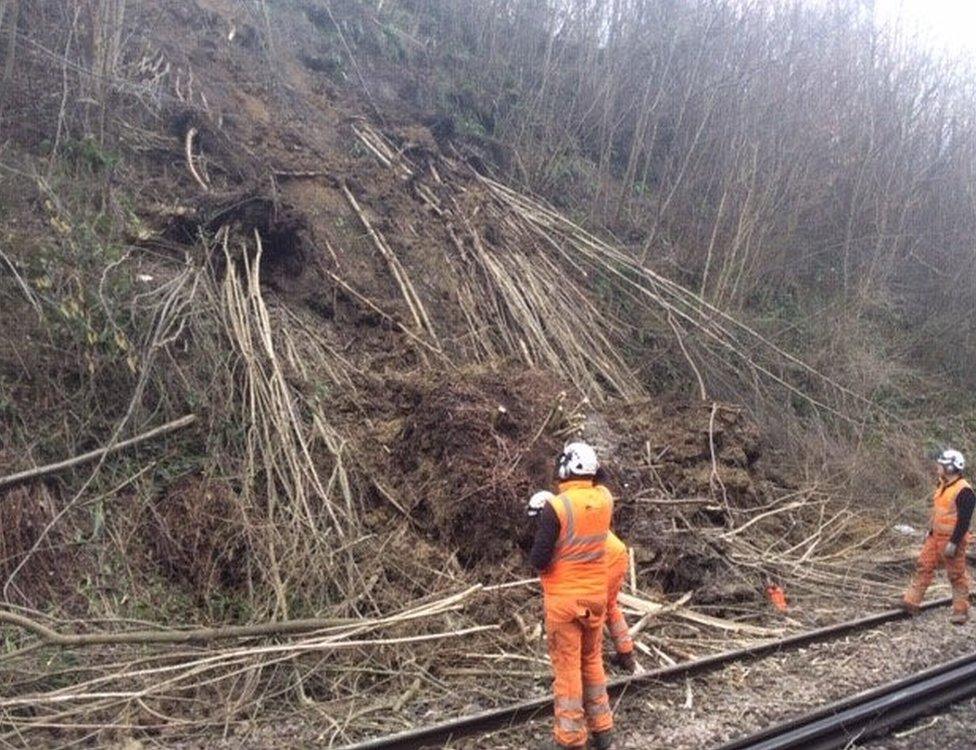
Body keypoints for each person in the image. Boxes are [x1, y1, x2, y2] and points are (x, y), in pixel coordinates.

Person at [528, 442, 615, 750]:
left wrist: (536, 525)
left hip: (564, 602)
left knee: (567, 671)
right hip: (595, 598)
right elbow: (600, 480)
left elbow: (539, 559)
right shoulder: (605, 499)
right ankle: (603, 730)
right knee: (592, 661)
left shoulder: (557, 507)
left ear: (567, 467)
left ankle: (569, 739)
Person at [901, 449, 975, 625]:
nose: (937, 467)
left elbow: (964, 521)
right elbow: (938, 513)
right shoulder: (942, 485)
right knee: (924, 566)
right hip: (935, 538)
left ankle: (960, 611)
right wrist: (930, 530)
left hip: (951, 540)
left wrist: (954, 543)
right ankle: (911, 602)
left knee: (956, 575)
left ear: (950, 467)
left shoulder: (964, 491)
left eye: (941, 464)